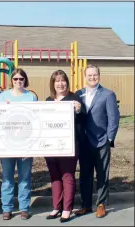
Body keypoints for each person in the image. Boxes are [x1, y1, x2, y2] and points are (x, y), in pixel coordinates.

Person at [74, 64, 120, 218]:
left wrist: (109, 138)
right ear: (85, 77)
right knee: (85, 175)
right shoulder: (78, 94)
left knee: (102, 174)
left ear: (99, 76)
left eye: (95, 75)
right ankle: (86, 205)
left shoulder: (108, 94)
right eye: (89, 75)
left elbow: (114, 118)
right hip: (84, 142)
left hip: (101, 142)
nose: (92, 78)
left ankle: (101, 204)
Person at [44, 70, 86, 222]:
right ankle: (56, 207)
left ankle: (67, 209)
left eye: (63, 81)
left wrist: (79, 109)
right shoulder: (48, 100)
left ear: (67, 82)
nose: (60, 84)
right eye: (57, 81)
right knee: (55, 177)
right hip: (50, 145)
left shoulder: (74, 98)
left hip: (68, 145)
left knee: (67, 176)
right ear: (53, 84)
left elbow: (83, 117)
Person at [0, 68, 37, 220]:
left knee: (24, 177)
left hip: (25, 143)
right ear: (11, 81)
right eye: (16, 79)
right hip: (8, 143)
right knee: (7, 177)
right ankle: (7, 208)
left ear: (25, 80)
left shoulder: (31, 97)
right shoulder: (3, 96)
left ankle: (24, 208)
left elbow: (35, 119)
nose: (18, 81)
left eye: (21, 79)